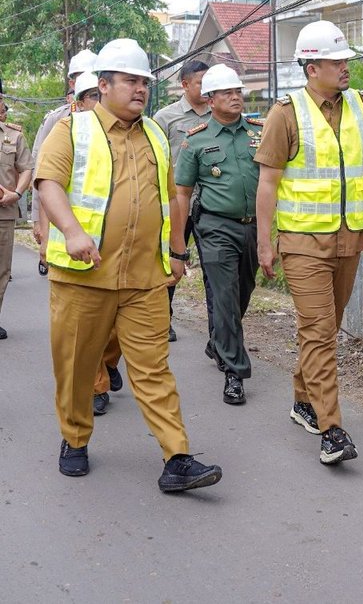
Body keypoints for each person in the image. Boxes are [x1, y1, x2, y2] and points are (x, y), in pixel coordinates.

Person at [35, 38, 222, 493]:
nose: (140, 89)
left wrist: (177, 251)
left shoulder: (156, 133)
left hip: (144, 279)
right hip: (84, 278)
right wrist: (72, 231)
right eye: (131, 81)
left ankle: (176, 456)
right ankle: (74, 439)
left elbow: (172, 197)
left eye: (145, 82)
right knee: (78, 366)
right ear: (103, 85)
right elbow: (48, 183)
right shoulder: (72, 130)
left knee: (154, 368)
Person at [254, 21, 363, 465]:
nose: (346, 67)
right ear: (311, 67)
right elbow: (267, 183)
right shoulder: (285, 114)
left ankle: (303, 400)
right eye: (336, 61)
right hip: (303, 243)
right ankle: (332, 430)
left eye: (345, 59)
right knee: (320, 332)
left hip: (350, 239)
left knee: (325, 328)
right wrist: (265, 243)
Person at [175, 63, 263, 405]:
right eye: (227, 93)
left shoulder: (260, 130)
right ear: (210, 100)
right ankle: (234, 372)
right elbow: (182, 193)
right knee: (224, 296)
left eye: (238, 91)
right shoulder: (196, 139)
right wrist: (178, 243)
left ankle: (219, 341)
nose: (235, 97)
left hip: (253, 225)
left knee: (243, 291)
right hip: (215, 227)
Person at [72, 71, 123, 417]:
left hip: (126, 251)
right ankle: (97, 383)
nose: (95, 101)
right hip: (83, 252)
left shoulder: (137, 133)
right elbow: (48, 186)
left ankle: (108, 362)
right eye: (88, 95)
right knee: (90, 328)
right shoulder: (67, 131)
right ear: (79, 101)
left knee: (117, 328)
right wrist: (44, 232)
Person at [153, 60, 214, 349]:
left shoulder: (219, 114)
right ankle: (163, 317)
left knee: (215, 271)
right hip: (178, 204)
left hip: (212, 204)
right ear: (185, 84)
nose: (205, 87)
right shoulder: (166, 118)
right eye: (200, 82)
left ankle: (219, 334)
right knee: (171, 261)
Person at [32, 48, 98, 276]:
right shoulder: (56, 120)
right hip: (62, 221)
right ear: (72, 83)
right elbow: (41, 176)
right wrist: (39, 225)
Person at [0, 107, 34, 339]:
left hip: (4, 211)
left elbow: (27, 168)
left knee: (1, 270)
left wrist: (18, 193)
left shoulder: (13, 136)